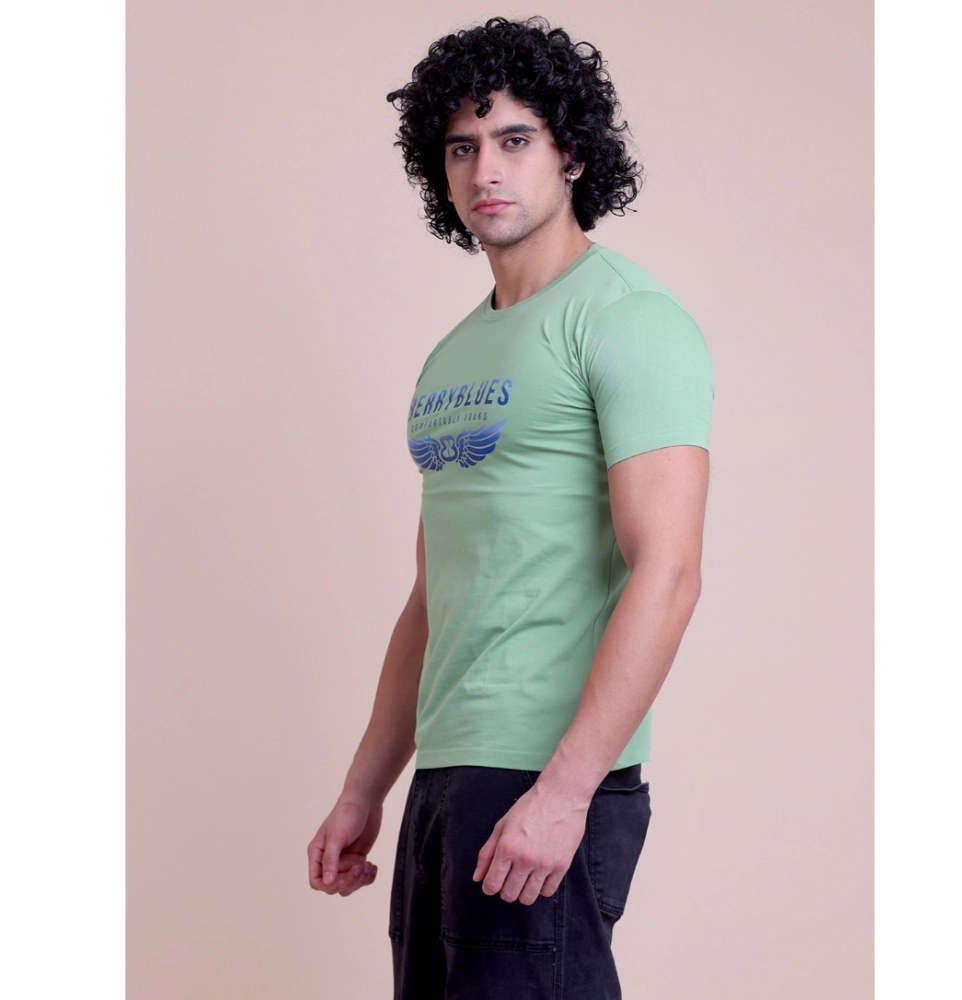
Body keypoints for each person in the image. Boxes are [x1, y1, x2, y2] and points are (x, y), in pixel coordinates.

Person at [307, 15, 714, 999]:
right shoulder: (453, 354)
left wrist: (567, 789)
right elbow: (432, 594)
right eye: (461, 147)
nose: (485, 168)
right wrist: (366, 786)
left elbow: (667, 571)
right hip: (446, 776)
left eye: (514, 139)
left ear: (572, 152)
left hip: (547, 773)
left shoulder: (628, 320)